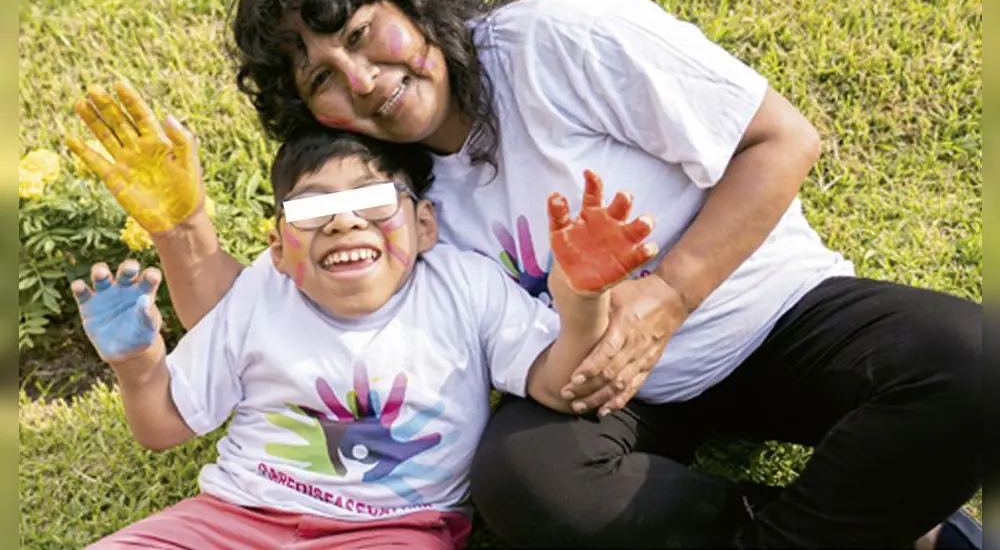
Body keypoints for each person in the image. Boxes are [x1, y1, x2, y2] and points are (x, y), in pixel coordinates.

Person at [66, 0, 984, 547]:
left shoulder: (563, 38)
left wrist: (668, 292)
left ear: (409, 2)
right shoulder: (388, 196)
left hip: (771, 315)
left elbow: (782, 141)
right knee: (524, 481)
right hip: (601, 383)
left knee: (976, 360)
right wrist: (183, 228)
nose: (364, 80)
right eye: (323, 78)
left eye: (361, 35)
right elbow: (263, 317)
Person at [70, 122, 659, 549]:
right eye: (311, 211)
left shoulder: (465, 283)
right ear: (278, 248)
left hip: (394, 531)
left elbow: (560, 384)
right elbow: (163, 427)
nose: (344, 221)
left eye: (373, 200)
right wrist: (138, 366)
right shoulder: (259, 291)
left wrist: (582, 300)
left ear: (424, 224)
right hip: (232, 517)